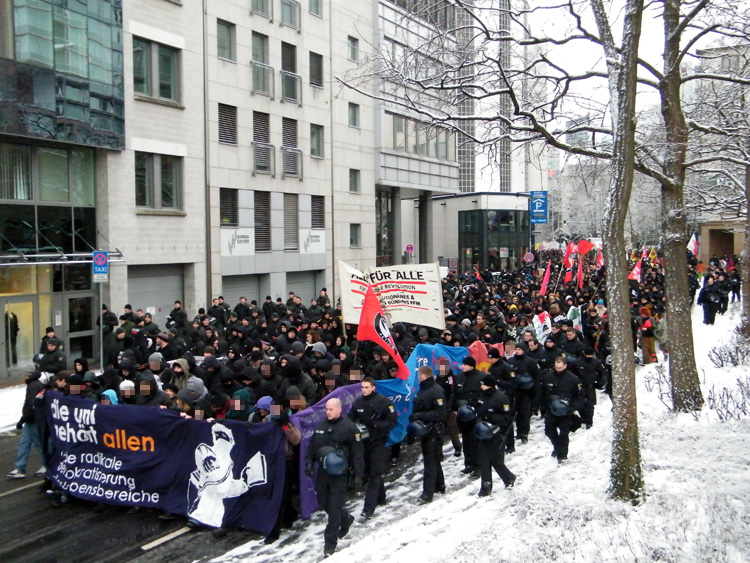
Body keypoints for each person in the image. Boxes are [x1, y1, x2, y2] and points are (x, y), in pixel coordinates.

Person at [304, 398, 364, 557]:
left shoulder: (350, 428)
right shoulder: (321, 426)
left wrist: (358, 475)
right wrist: (308, 463)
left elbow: (358, 453)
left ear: (339, 410)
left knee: (335, 507)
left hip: (341, 474)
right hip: (323, 473)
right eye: (326, 409)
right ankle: (346, 519)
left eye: (331, 409)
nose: (327, 412)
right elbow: (311, 447)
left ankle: (329, 545)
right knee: (324, 504)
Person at [347, 377, 397, 519]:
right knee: (371, 472)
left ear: (373, 387)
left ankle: (368, 508)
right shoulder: (358, 402)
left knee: (375, 474)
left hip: (378, 441)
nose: (364, 390)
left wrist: (375, 424)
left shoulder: (384, 402)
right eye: (362, 387)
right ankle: (381, 498)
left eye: (367, 387)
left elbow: (392, 422)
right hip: (364, 442)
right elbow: (350, 418)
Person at [471, 374, 516, 496]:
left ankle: (508, 478)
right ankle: (485, 488)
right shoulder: (481, 396)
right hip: (482, 432)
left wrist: (491, 418)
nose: (481, 386)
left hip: (496, 433)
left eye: (483, 384)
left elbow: (507, 417)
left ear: (490, 385)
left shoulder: (501, 398)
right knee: (484, 461)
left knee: (497, 461)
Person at [410, 365, 448, 504]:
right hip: (426, 429)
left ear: (424, 375)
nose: (418, 378)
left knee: (430, 461)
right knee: (434, 458)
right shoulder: (425, 389)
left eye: (419, 375)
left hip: (434, 430)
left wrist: (420, 415)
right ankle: (440, 485)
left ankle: (428, 493)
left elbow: (441, 413)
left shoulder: (436, 390)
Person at [540, 356, 584, 463]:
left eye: (560, 367)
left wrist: (573, 408)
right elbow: (542, 391)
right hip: (551, 409)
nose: (558, 369)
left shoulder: (573, 379)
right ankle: (557, 447)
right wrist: (542, 405)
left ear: (565, 366)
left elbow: (580, 395)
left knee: (564, 434)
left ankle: (562, 455)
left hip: (566, 411)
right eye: (556, 367)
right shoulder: (548, 376)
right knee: (549, 431)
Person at [6, 364, 46, 479]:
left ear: (28, 375)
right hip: (31, 420)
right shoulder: (35, 384)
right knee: (25, 444)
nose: (23, 376)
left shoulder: (33, 386)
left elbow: (31, 404)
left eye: (25, 374)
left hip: (33, 420)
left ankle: (45, 465)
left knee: (37, 444)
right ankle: (20, 467)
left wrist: (22, 419)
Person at [452, 356, 484, 475]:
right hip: (462, 413)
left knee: (474, 439)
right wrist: (454, 408)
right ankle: (468, 463)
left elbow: (483, 394)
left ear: (471, 365)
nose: (463, 366)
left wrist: (475, 406)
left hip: (474, 412)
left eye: (465, 364)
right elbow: (454, 393)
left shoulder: (481, 377)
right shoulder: (459, 377)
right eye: (463, 364)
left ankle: (478, 466)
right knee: (466, 439)